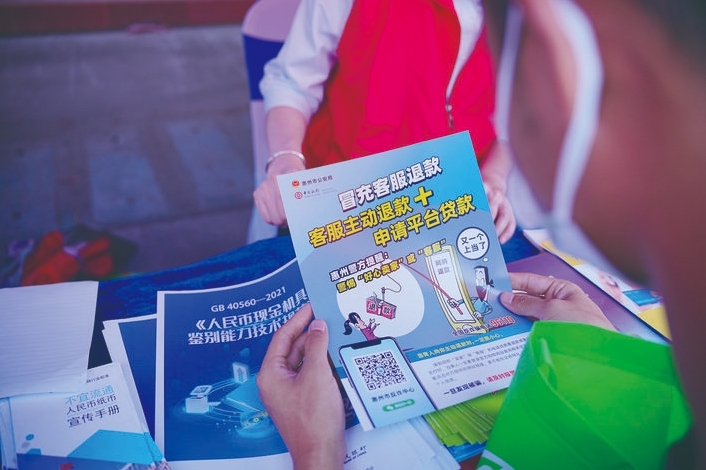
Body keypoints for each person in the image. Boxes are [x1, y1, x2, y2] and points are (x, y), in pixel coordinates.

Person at [257, 0, 706, 468]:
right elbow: (291, 80)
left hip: (445, 215)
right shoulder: (660, 404)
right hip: (341, 212)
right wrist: (285, 157)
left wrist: (317, 453)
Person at [252, 0, 517, 243]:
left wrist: (492, 179)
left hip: (453, 205)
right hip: (342, 203)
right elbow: (292, 83)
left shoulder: (528, 13)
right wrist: (285, 160)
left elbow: (517, 120)